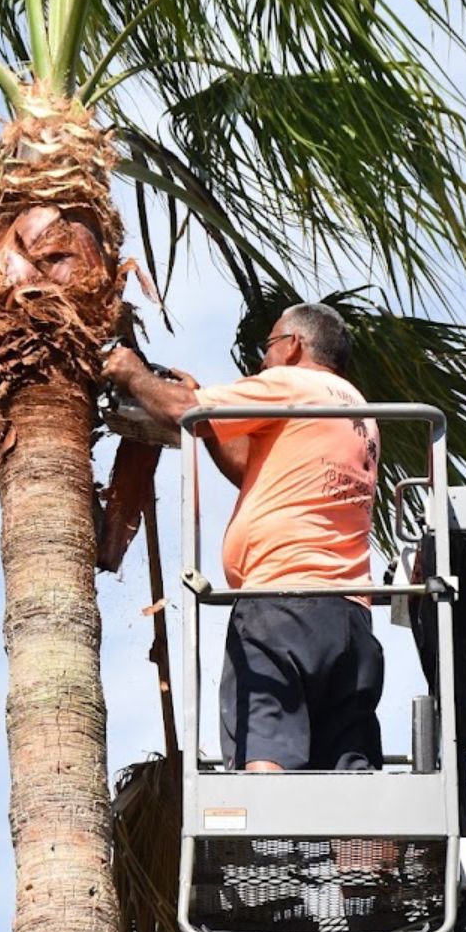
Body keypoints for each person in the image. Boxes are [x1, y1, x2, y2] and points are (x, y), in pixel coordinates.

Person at [103, 303, 382, 773]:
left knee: (265, 748)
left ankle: (260, 843)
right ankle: (370, 850)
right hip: (349, 615)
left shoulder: (292, 383)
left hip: (283, 602)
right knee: (348, 766)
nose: (262, 362)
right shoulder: (355, 410)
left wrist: (132, 375)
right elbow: (251, 465)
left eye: (268, 347)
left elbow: (184, 413)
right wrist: (206, 419)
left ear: (293, 346)